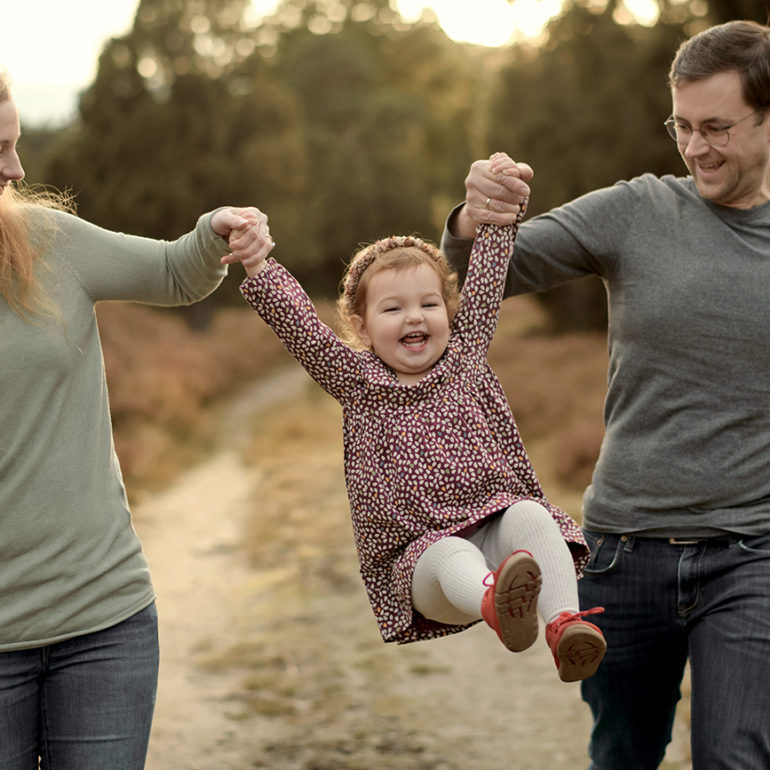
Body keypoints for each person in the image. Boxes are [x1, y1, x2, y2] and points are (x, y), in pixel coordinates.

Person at [440, 19, 770, 770]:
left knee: (738, 757)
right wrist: (472, 216)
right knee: (622, 754)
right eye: (682, 127)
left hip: (753, 556)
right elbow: (489, 270)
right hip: (625, 553)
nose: (696, 147)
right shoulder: (638, 210)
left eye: (717, 127)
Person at [226, 154, 606, 686]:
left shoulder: (465, 357)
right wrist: (258, 264)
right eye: (392, 309)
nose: (414, 317)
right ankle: (497, 603)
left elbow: (487, 277)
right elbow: (304, 330)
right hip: (422, 563)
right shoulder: (359, 383)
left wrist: (501, 207)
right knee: (449, 550)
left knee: (529, 514)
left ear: (449, 312)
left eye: (429, 304)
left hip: (493, 526)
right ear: (361, 326)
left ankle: (565, 624)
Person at [0, 72, 272, 769]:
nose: (17, 170)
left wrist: (214, 232)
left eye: (16, 144)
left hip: (103, 622)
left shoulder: (49, 242)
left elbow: (175, 273)